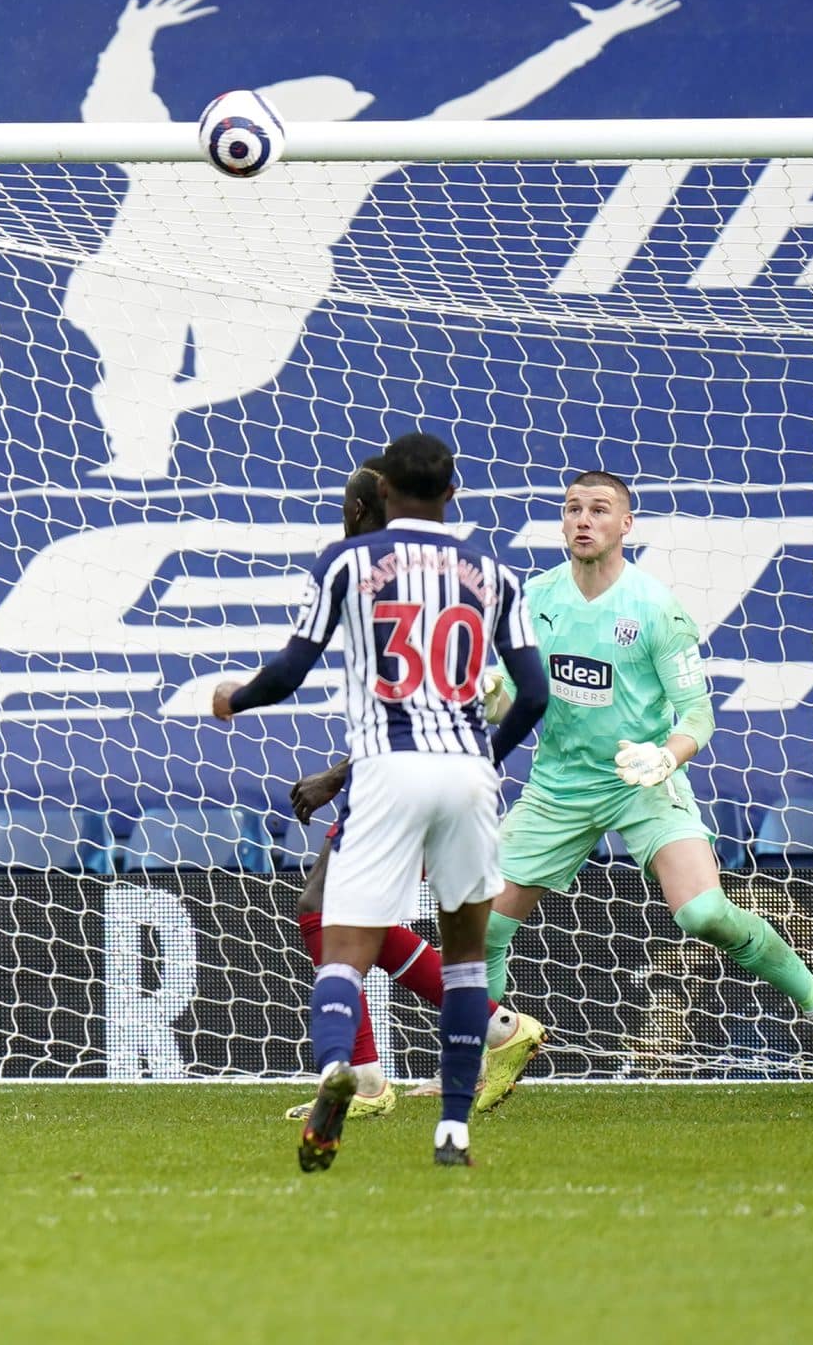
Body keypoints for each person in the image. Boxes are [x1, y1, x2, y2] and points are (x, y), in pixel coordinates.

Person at [68, 0, 677, 478]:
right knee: (138, 366)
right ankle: (139, 455)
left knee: (230, 377)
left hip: (261, 286)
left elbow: (484, 107)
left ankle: (152, 412)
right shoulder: (182, 153)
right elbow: (115, 105)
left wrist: (593, 35)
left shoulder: (350, 159)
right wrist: (131, 36)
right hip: (146, 273)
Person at [212, 432, 547, 1169]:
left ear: (384, 493)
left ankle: (348, 1067)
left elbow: (291, 670)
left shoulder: (348, 563)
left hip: (388, 770)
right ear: (453, 492)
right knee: (466, 956)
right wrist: (483, 756)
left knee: (339, 945)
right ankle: (454, 1130)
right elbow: (535, 693)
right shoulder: (494, 570)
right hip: (466, 774)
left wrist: (234, 697)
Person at [482, 471, 813, 1053]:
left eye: (599, 510)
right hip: (558, 785)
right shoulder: (534, 598)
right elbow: (511, 692)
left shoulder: (655, 608)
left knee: (703, 914)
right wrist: (495, 698)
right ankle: (482, 1060)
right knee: (486, 927)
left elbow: (698, 716)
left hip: (642, 779)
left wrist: (664, 756)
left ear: (626, 524)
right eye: (572, 509)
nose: (583, 520)